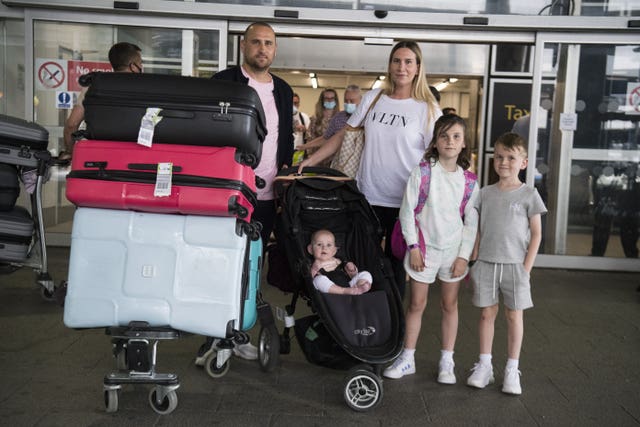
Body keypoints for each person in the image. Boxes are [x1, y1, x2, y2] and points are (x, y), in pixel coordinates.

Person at [299, 41, 442, 299]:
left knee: (395, 267)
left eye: (409, 62)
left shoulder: (427, 108)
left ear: (418, 67)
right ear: (389, 64)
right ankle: (365, 325)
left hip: (404, 202)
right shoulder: (374, 97)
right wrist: (311, 160)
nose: (402, 67)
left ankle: (392, 327)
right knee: (364, 262)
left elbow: (438, 156)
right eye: (397, 61)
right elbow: (344, 135)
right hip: (367, 195)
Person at [195, 21, 294, 364]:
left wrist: (284, 175)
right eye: (256, 42)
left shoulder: (281, 89)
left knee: (252, 265)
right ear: (243, 46)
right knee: (220, 263)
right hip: (227, 190)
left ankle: (238, 334)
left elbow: (285, 139)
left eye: (268, 43)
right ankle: (213, 338)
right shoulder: (225, 82)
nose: (262, 49)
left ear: (275, 49)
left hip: (264, 197)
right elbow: (204, 128)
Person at [382, 114, 478, 383]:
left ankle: (447, 361)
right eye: (444, 136)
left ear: (463, 144)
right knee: (416, 304)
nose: (450, 141)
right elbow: (407, 212)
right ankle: (407, 358)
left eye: (456, 137)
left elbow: (471, 222)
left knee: (450, 304)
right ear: (435, 142)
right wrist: (413, 247)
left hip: (453, 252)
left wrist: (463, 256)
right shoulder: (422, 172)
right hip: (423, 251)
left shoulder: (470, 181)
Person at [466, 132, 546, 395]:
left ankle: (512, 369)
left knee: (514, 315)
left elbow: (537, 234)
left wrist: (526, 268)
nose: (504, 162)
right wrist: (474, 259)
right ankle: (485, 365)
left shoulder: (529, 194)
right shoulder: (485, 194)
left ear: (523, 162)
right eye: (499, 156)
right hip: (487, 263)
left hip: (515, 266)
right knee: (487, 313)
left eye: (511, 157)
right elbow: (477, 229)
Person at [62, 42, 143, 158]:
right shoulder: (144, 88)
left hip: (99, 157)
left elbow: (72, 124)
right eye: (140, 63)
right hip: (134, 156)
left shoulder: (93, 85)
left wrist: (70, 153)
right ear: (133, 66)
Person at [295, 84, 362, 155]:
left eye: (352, 101)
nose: (348, 104)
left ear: (361, 100)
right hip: (331, 157)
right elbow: (326, 138)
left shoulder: (366, 118)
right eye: (346, 101)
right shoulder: (338, 117)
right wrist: (305, 147)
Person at [308, 229, 372, 295]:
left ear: (334, 250)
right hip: (331, 289)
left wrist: (352, 269)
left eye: (329, 245)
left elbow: (352, 275)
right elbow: (309, 280)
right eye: (319, 244)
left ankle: (359, 288)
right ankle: (344, 291)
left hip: (349, 285)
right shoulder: (312, 263)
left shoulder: (339, 260)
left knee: (366, 274)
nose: (324, 248)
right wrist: (314, 269)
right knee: (318, 280)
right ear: (310, 249)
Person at [306, 88, 340, 166]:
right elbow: (309, 138)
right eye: (326, 98)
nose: (329, 101)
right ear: (322, 100)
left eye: (332, 98)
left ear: (335, 100)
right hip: (317, 159)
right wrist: (309, 155)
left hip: (334, 160)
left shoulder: (340, 118)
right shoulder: (315, 119)